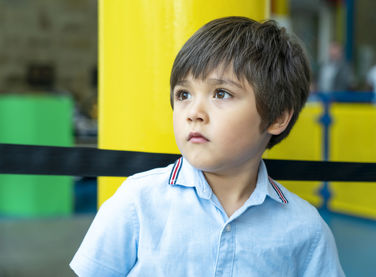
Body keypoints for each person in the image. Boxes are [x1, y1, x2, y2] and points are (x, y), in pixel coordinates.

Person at [70, 17, 345, 276]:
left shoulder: (306, 229)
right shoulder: (137, 202)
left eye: (221, 93)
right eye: (183, 94)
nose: (193, 112)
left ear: (276, 118)